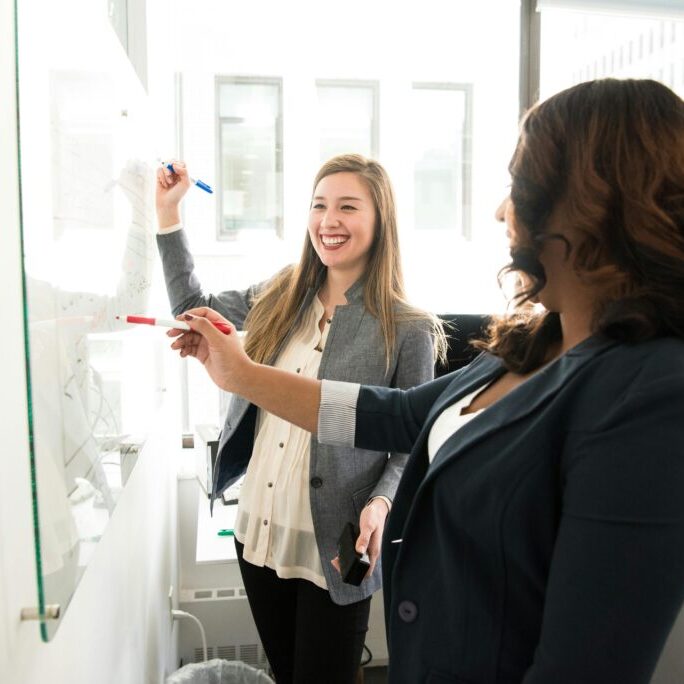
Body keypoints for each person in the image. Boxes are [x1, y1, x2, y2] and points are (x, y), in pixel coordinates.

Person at [167, 78, 684, 684]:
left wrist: (378, 500)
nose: (499, 210)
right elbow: (395, 414)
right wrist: (244, 375)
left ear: (592, 202)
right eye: (319, 205)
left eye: (519, 186)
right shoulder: (527, 346)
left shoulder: (653, 394)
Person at [155, 154, 445, 683]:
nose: (328, 221)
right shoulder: (281, 293)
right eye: (319, 205)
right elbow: (193, 306)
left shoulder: (408, 328)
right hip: (259, 530)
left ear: (380, 220)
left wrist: (381, 504)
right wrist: (168, 214)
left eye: (347, 207)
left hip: (336, 543)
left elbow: (413, 442)